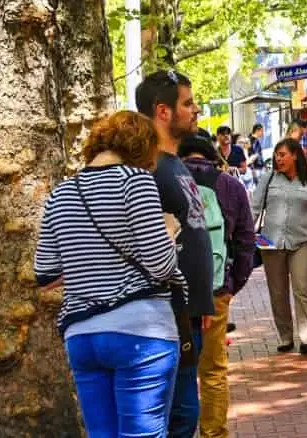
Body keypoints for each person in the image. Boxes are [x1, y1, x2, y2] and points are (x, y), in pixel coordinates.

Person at [34, 110, 186, 437]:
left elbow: (45, 273)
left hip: (82, 334)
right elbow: (161, 265)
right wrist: (170, 233)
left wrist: (86, 262)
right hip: (141, 332)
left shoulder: (60, 193)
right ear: (142, 147)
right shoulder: (136, 182)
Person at [136, 71, 215, 438]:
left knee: (185, 414)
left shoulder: (175, 162)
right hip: (166, 317)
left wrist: (204, 303)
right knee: (177, 417)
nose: (196, 109)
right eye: (188, 103)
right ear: (163, 111)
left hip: (189, 313)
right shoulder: (146, 170)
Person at [178, 135, 254, 438]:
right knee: (213, 370)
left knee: (178, 370)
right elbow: (246, 241)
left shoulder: (165, 180)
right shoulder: (230, 185)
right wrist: (231, 285)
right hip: (216, 289)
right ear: (213, 155)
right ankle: (214, 433)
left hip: (174, 293)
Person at [252, 138, 307, 354]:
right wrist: (245, 236)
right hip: (269, 242)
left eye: (282, 154)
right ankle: (285, 336)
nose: (278, 158)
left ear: (295, 155)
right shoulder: (268, 179)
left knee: (302, 289)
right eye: (276, 155)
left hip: (301, 242)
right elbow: (254, 209)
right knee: (278, 292)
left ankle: (306, 336)